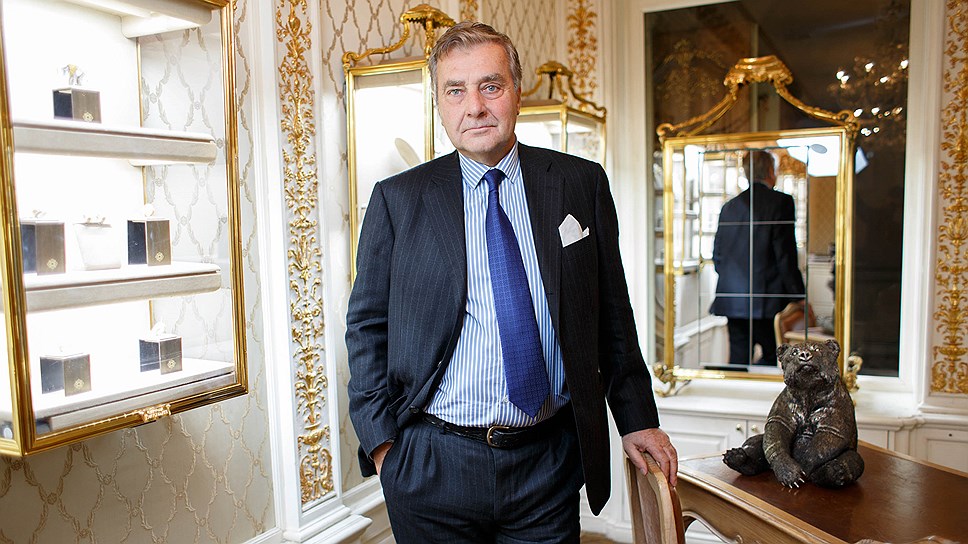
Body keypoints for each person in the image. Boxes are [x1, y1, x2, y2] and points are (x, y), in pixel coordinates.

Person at [346, 21, 677, 543]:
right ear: (439, 104)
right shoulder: (399, 199)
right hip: (432, 463)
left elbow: (611, 311)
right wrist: (384, 446)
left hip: (547, 463)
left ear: (517, 92)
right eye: (456, 91)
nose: (474, 106)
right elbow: (367, 326)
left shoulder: (579, 183)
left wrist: (637, 418)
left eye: (490, 86)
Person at [709, 149, 805, 366]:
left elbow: (718, 256)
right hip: (767, 298)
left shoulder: (729, 207)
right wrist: (798, 294)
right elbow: (785, 255)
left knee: (738, 360)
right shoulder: (781, 202)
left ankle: (738, 388)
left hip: (732, 297)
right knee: (773, 357)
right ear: (771, 171)